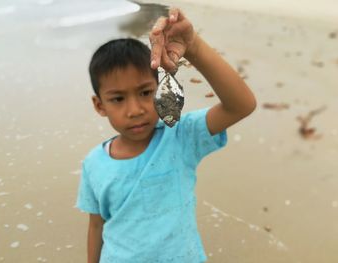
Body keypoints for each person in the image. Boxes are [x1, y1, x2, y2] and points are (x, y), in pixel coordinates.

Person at [76, 7, 256, 263]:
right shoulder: (94, 164)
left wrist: (194, 48)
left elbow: (241, 105)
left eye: (145, 93)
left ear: (160, 91)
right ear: (99, 105)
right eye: (118, 99)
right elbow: (96, 226)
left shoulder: (180, 137)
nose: (135, 110)